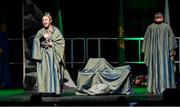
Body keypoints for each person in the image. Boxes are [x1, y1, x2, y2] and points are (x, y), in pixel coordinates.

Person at [142, 12, 178, 95]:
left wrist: (171, 50)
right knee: (161, 69)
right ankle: (163, 87)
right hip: (159, 54)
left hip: (162, 54)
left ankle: (156, 87)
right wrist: (172, 49)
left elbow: (171, 38)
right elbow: (146, 39)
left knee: (161, 68)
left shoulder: (155, 27)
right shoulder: (152, 27)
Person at [32, 12, 65, 95]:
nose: (44, 21)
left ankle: (55, 91)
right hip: (43, 55)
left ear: (50, 20)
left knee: (54, 71)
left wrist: (52, 44)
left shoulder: (56, 31)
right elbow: (36, 41)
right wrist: (43, 38)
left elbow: (61, 43)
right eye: (43, 20)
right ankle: (43, 91)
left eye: (46, 20)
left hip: (53, 55)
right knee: (43, 72)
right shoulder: (40, 32)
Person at [0, 21, 11, 88]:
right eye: (2, 25)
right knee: (2, 65)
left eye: (5, 26)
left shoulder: (4, 34)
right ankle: (2, 82)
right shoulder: (1, 34)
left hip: (5, 51)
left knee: (5, 65)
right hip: (2, 51)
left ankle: (4, 82)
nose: (4, 27)